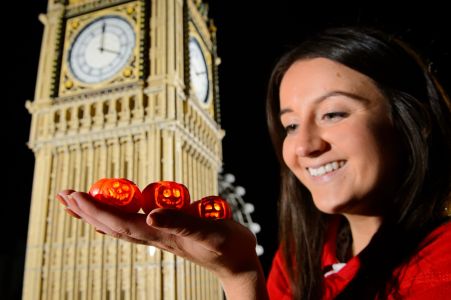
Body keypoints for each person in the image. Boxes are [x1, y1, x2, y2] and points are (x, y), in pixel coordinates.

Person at [57, 26, 451, 299]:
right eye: (291, 124)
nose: (305, 145)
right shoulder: (302, 257)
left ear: (411, 121)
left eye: (333, 114)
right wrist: (239, 272)